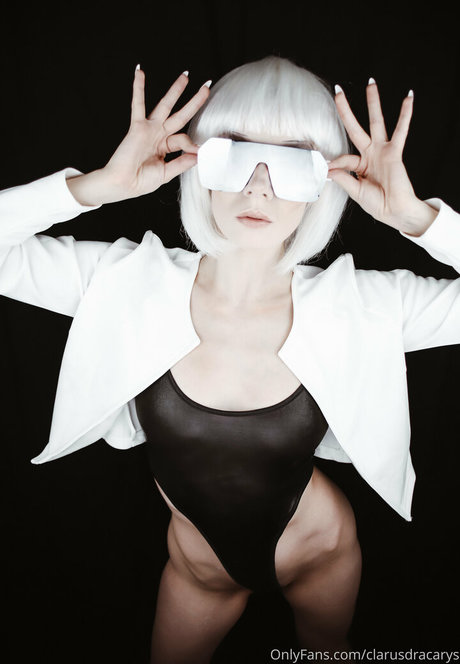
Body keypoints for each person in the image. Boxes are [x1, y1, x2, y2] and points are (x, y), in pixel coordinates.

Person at [1, 55, 459, 664]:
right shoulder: (120, 281)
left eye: (294, 161)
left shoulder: (366, 306)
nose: (259, 186)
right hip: (199, 569)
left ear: (325, 180)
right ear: (198, 163)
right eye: (234, 153)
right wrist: (95, 188)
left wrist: (418, 219)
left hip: (320, 550)